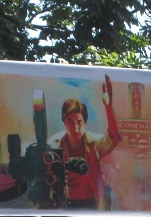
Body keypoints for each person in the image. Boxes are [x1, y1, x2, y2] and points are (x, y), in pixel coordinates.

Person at [48, 74, 120, 209]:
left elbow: (113, 137)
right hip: (64, 206)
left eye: (79, 122)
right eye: (70, 122)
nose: (75, 128)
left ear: (85, 122)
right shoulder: (54, 144)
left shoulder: (94, 143)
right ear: (64, 121)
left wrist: (109, 108)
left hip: (92, 204)